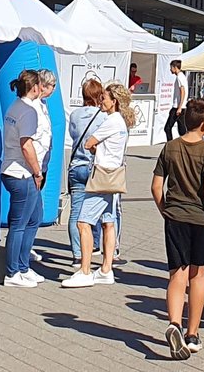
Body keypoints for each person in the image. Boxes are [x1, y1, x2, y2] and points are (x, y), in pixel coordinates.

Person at [153, 98, 204, 359]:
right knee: (198, 275)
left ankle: (174, 323)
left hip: (175, 217)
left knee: (177, 274)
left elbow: (155, 187)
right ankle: (192, 333)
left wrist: (166, 211)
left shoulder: (170, 147)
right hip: (201, 220)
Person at [64, 79, 133, 287]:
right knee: (108, 222)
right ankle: (106, 268)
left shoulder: (111, 121)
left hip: (102, 175)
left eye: (104, 98)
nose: (101, 101)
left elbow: (89, 143)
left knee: (83, 222)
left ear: (114, 101)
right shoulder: (121, 121)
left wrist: (97, 149)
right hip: (114, 174)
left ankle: (85, 270)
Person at [0, 67, 55, 288]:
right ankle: (13, 272)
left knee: (33, 217)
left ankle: (22, 266)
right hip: (21, 172)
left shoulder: (16, 106)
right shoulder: (28, 111)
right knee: (19, 224)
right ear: (35, 87)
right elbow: (26, 144)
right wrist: (37, 171)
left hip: (17, 170)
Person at [164, 59, 188, 138]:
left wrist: (179, 107)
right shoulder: (182, 76)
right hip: (180, 107)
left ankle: (170, 145)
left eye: (171, 67)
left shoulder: (179, 77)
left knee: (167, 128)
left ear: (175, 67)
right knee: (182, 130)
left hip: (177, 107)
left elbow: (182, 91)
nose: (170, 69)